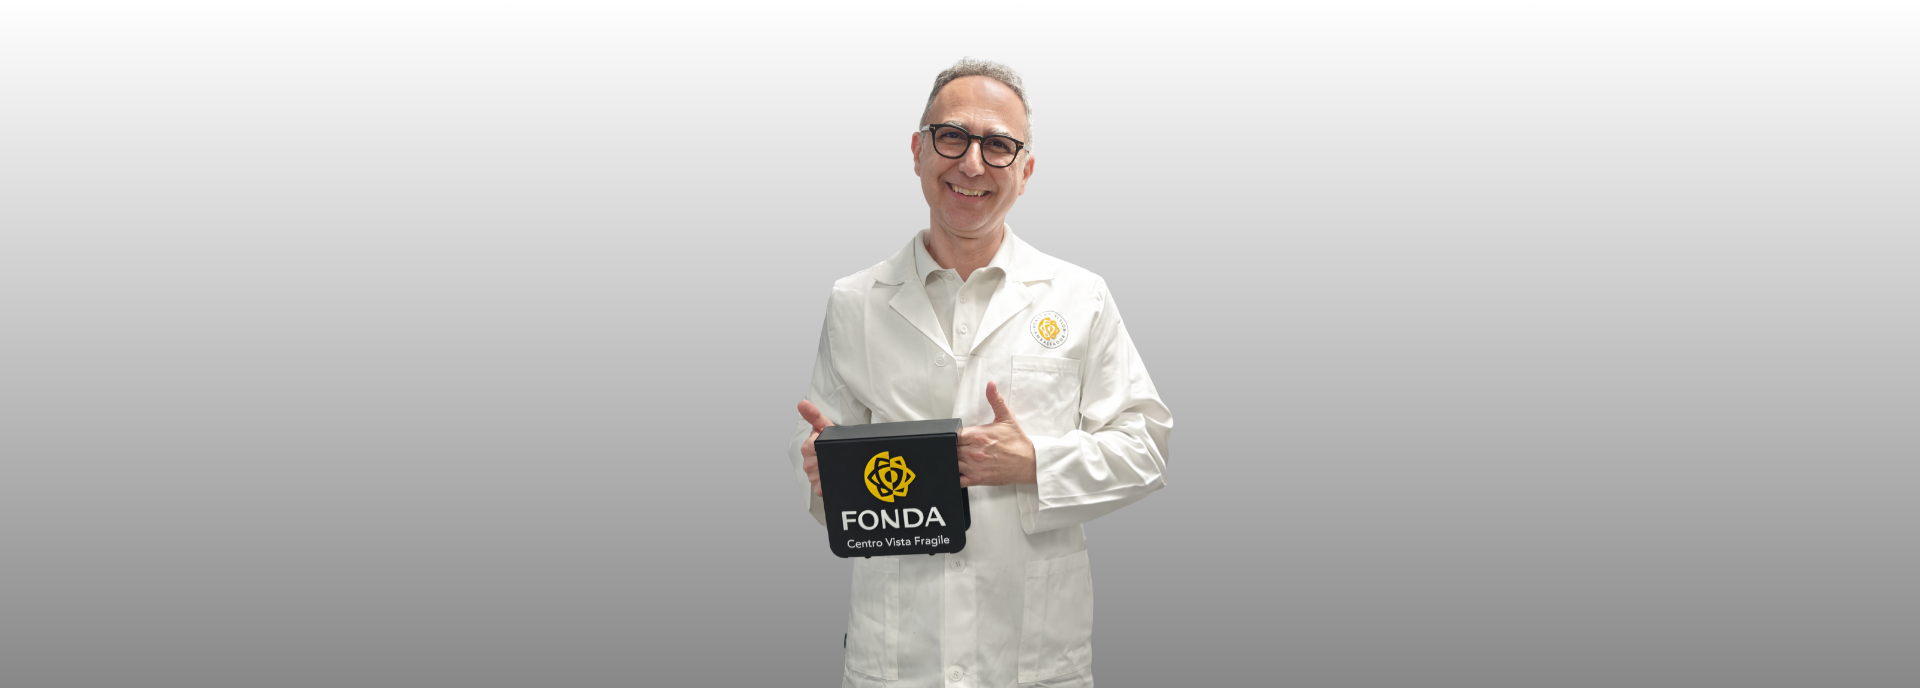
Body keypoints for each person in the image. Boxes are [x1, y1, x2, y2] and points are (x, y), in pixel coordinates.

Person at [788, 58, 1172, 688]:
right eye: (952, 137)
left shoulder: (1080, 297)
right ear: (918, 151)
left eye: (998, 146)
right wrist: (821, 469)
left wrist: (1035, 462)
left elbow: (1146, 447)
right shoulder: (855, 302)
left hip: (1031, 656)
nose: (971, 164)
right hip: (899, 652)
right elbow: (828, 470)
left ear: (1025, 171)